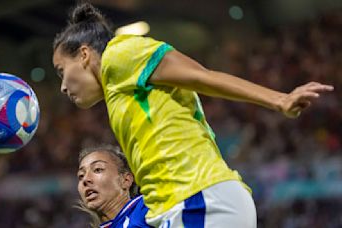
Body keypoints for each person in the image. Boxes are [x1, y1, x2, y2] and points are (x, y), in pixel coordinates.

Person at [53, 3, 334, 227]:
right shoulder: (118, 91)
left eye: (61, 71)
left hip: (197, 201)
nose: (63, 86)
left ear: (85, 54)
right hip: (185, 206)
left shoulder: (120, 54)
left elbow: (202, 76)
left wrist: (279, 99)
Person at [77, 144, 152, 228]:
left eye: (98, 169)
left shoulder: (149, 207)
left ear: (126, 180)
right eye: (81, 176)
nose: (85, 179)